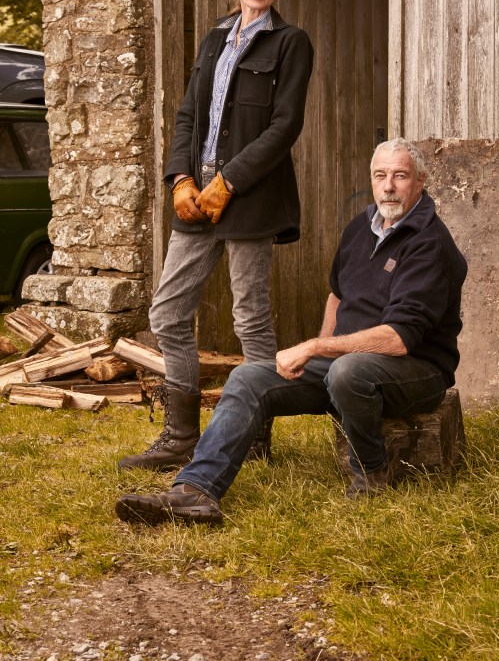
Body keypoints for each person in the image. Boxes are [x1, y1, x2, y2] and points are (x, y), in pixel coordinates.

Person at [116, 137, 468, 526]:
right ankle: (194, 491)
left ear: (421, 180)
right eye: (380, 175)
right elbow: (338, 295)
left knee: (348, 373)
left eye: (400, 176)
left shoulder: (430, 243)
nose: (388, 186)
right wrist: (324, 350)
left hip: (417, 371)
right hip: (347, 365)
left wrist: (316, 346)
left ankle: (371, 473)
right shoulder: (361, 227)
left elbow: (401, 338)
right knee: (249, 377)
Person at [117, 0, 314, 471]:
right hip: (196, 201)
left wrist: (230, 181)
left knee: (251, 319)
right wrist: (179, 179)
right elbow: (187, 114)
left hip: (247, 198)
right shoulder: (213, 39)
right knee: (168, 313)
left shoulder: (290, 42)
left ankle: (252, 436)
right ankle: (180, 436)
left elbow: (284, 126)